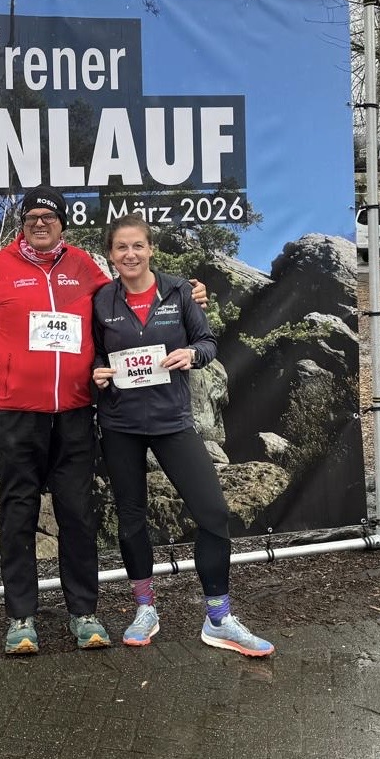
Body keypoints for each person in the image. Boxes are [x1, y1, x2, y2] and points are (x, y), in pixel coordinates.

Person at [0, 187, 207, 657]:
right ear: (22, 224)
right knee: (18, 513)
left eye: (49, 217)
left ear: (62, 224)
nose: (40, 223)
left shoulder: (84, 267)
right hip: (19, 413)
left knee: (77, 512)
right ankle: (21, 618)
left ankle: (84, 613)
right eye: (31, 216)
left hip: (75, 411)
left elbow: (129, 295)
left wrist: (184, 294)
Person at [91, 214, 274, 658]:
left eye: (137, 245)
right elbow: (93, 354)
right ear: (111, 255)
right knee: (131, 519)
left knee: (213, 513)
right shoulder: (101, 300)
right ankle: (144, 608)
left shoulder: (178, 292)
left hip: (173, 421)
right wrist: (96, 372)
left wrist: (192, 354)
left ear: (150, 249)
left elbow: (208, 341)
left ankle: (219, 618)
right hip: (120, 425)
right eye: (121, 247)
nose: (130, 254)